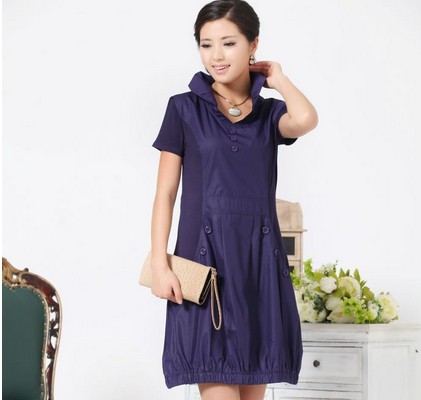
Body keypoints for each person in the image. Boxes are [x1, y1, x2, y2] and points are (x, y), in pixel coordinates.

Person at [149, 0, 318, 399]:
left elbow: (306, 120)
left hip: (258, 264)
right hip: (203, 263)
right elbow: (165, 193)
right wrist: (159, 262)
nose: (217, 56)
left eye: (228, 43)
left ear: (253, 45)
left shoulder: (270, 113)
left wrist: (279, 79)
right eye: (206, 44)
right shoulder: (183, 108)